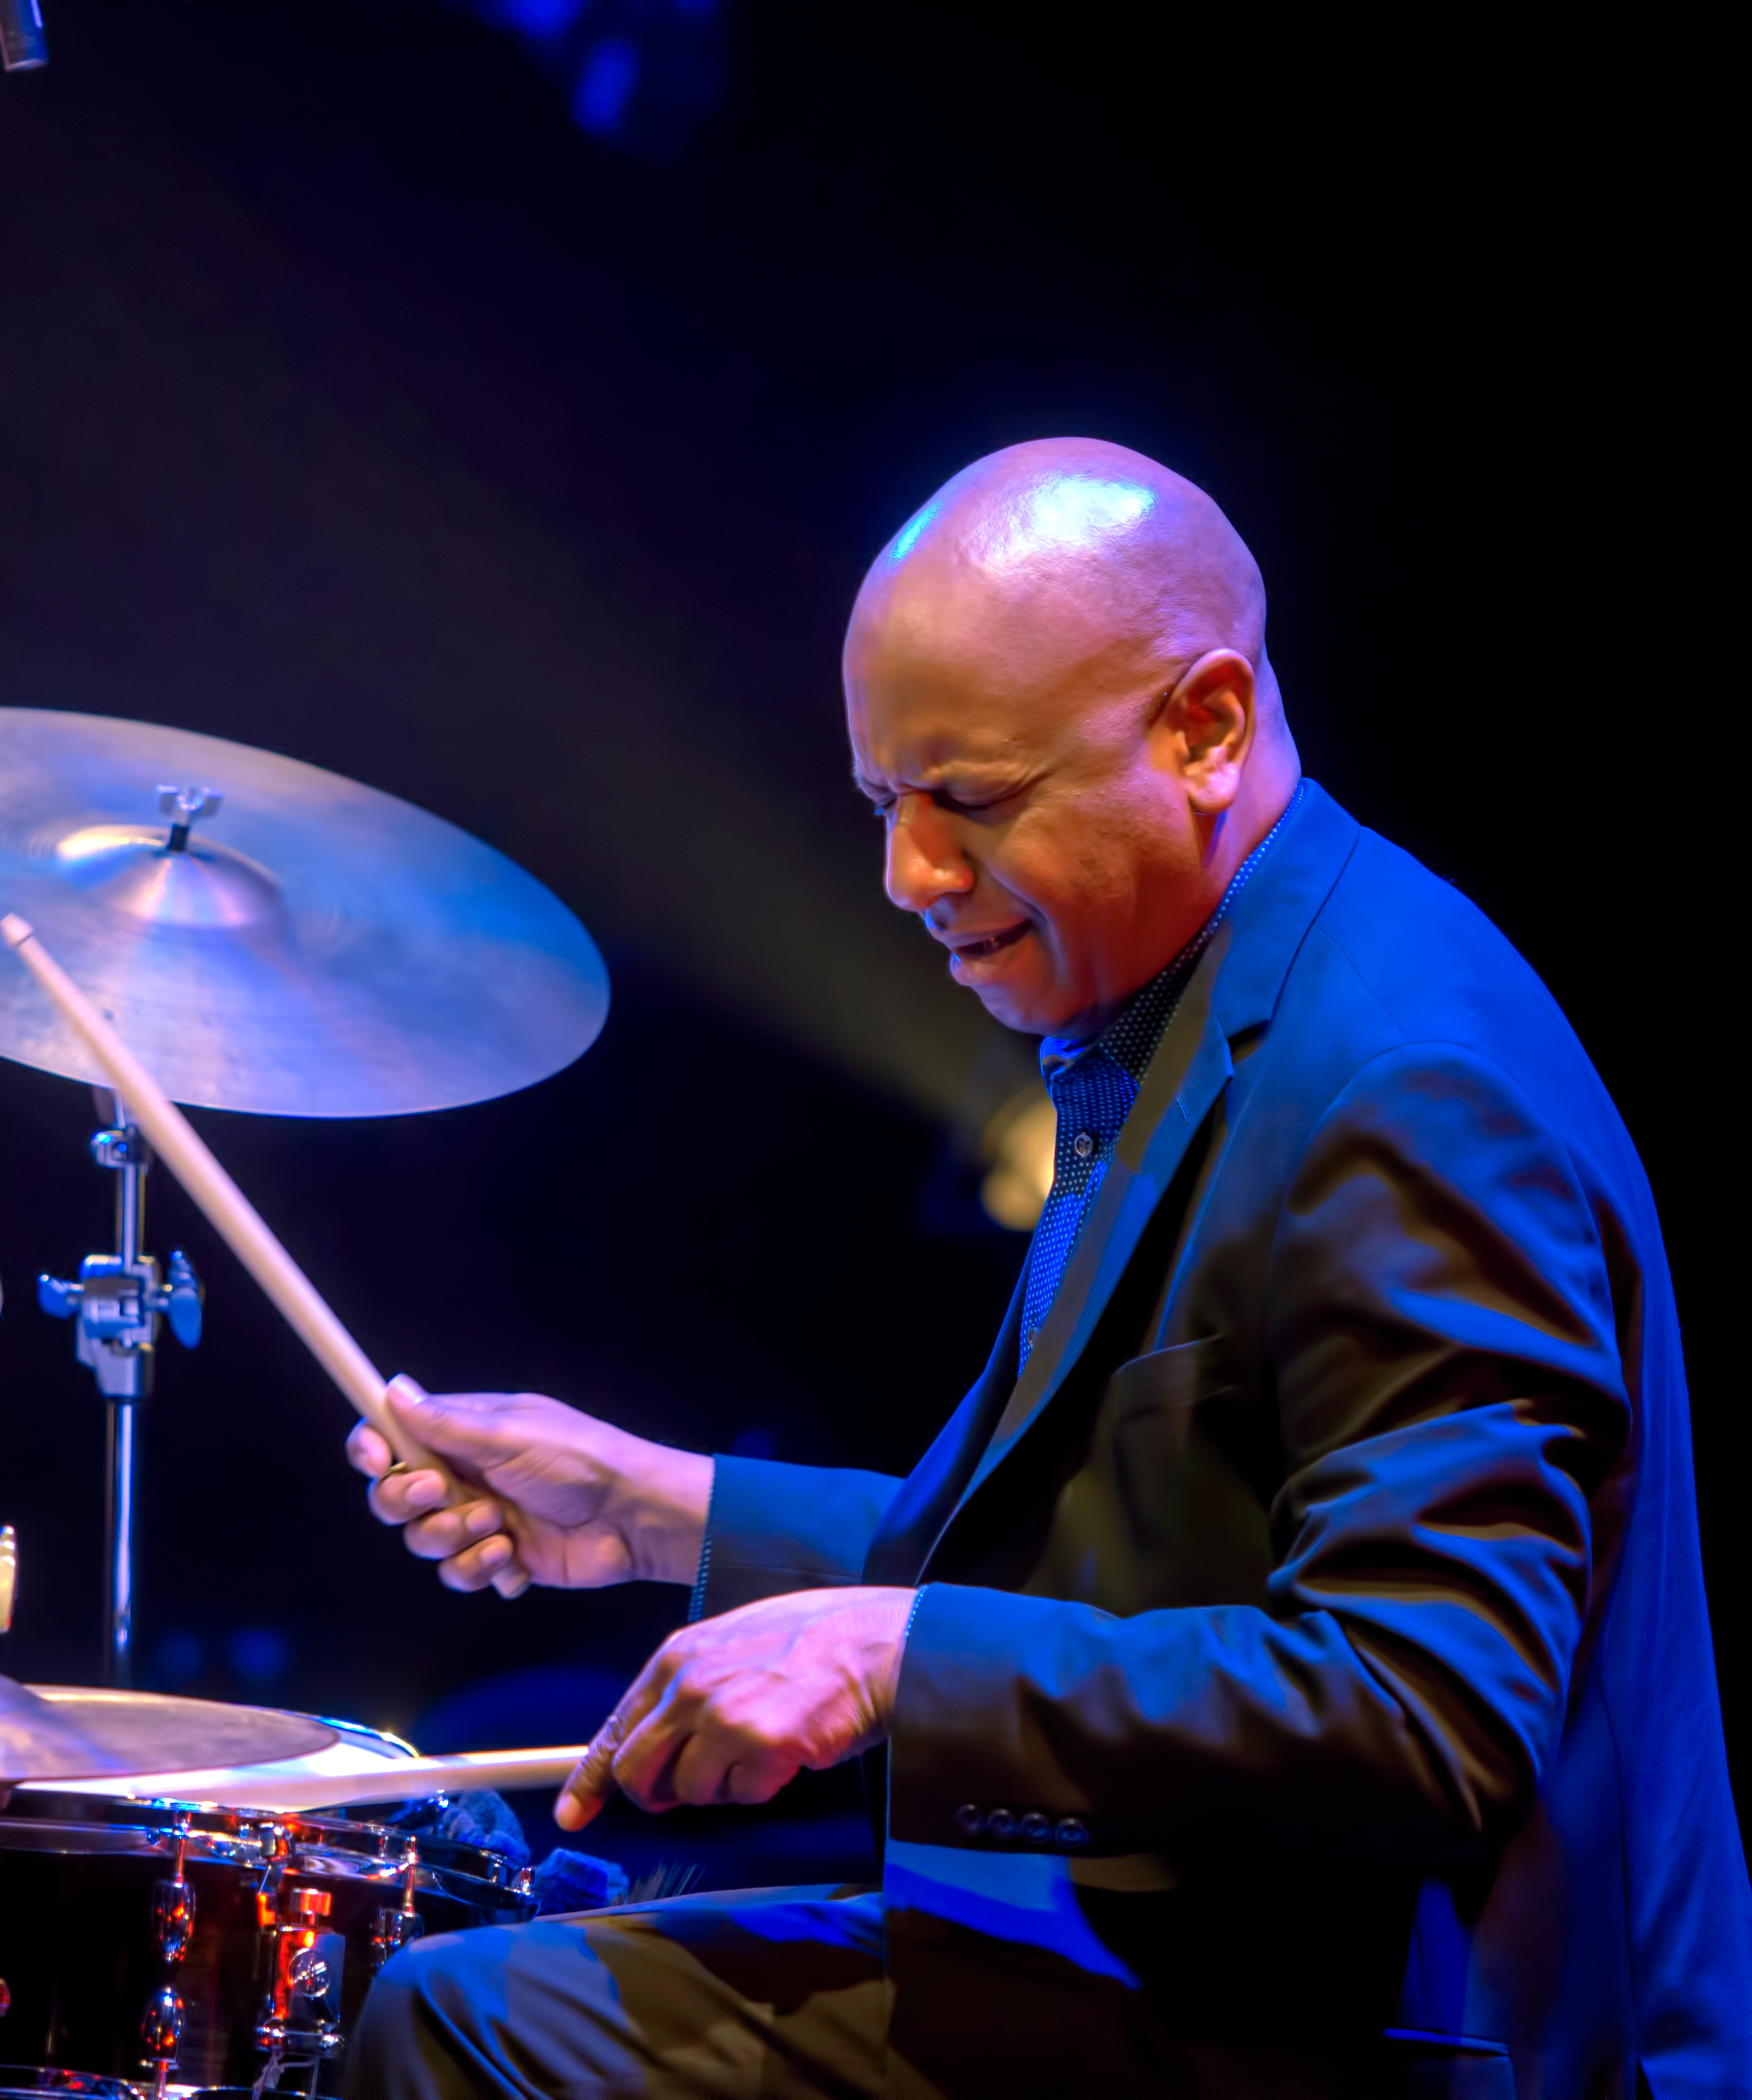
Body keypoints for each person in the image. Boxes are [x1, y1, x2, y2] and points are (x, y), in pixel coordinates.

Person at [343, 438, 1750, 2098]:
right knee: (495, 1972)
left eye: (972, 799)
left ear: (1204, 727)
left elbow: (1421, 1712)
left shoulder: (1403, 1077)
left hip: (1395, 2035)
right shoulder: (1185, 1002)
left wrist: (890, 1653)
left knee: (469, 2022)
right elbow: (1110, 1562)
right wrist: (662, 1511)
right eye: (883, 804)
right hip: (1212, 1967)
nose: (907, 876)